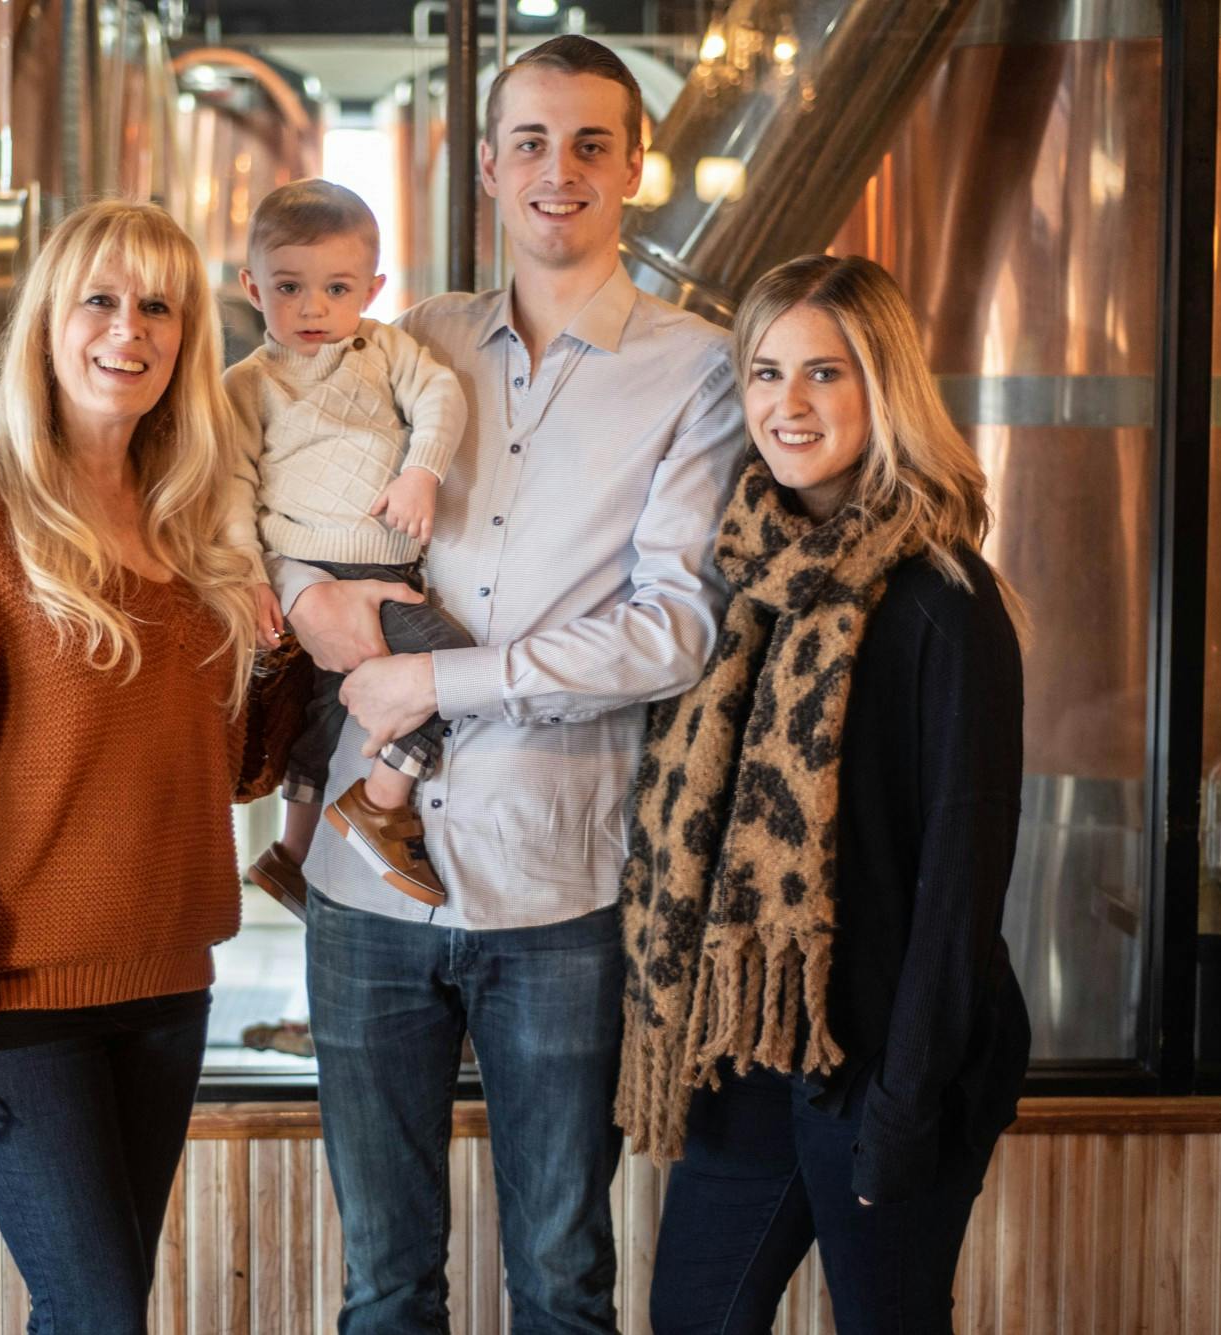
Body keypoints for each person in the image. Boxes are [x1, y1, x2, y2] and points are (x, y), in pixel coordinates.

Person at [273, 36, 747, 1331]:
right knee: (383, 1285)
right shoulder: (412, 339)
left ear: (635, 166)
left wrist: (442, 680)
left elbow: (672, 631)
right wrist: (300, 591)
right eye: (532, 141)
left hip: (558, 891)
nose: (561, 171)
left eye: (593, 143)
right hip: (364, 892)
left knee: (562, 1278)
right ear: (487, 166)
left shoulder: (699, 368)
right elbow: (295, 489)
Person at [0, 199, 298, 1333]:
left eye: (157, 307)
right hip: (17, 995)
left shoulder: (197, 520)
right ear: (48, 318)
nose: (125, 330)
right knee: (95, 1310)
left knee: (99, 1309)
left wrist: (281, 648)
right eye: (99, 299)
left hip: (168, 981)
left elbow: (228, 768)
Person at [615, 253, 1031, 1335]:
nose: (786, 406)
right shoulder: (740, 576)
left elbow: (961, 878)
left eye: (823, 374)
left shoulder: (945, 602)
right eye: (763, 373)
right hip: (755, 1043)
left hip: (892, 1059)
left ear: (881, 387)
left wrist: (903, 1107)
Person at [226, 178, 475, 914]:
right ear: (252, 286)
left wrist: (423, 469)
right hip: (311, 562)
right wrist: (250, 577)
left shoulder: (385, 349)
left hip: (389, 560)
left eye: (336, 288)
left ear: (372, 287)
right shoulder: (247, 385)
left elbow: (442, 395)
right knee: (452, 669)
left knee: (329, 717)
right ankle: (381, 802)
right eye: (288, 287)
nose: (312, 308)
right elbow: (231, 487)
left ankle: (292, 856)